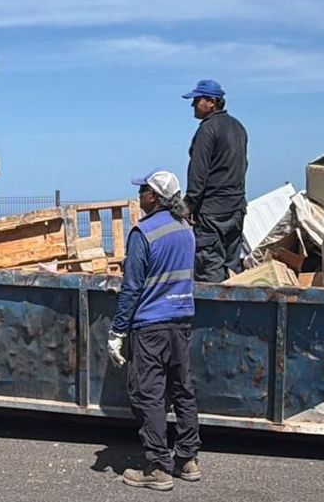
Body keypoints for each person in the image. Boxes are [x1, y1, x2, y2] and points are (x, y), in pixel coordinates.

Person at [108, 169, 201, 491]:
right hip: (181, 320)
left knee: (149, 394)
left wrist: (118, 331)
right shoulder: (186, 230)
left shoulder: (143, 233)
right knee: (182, 391)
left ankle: (159, 467)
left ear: (156, 198)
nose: (139, 196)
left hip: (151, 325)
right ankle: (187, 459)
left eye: (143, 190)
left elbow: (132, 288)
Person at [181, 79, 248, 282]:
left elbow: (198, 173)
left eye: (197, 100)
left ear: (212, 101)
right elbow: (243, 165)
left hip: (212, 212)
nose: (193, 105)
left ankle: (213, 313)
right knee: (232, 266)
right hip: (236, 208)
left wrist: (188, 206)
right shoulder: (238, 127)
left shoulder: (207, 130)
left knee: (209, 267)